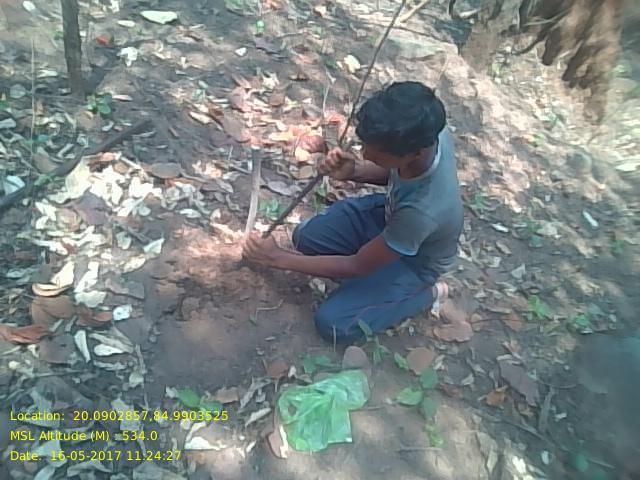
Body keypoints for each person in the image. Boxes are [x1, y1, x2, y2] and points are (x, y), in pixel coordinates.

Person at [242, 81, 463, 344]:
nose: (365, 155)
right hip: (389, 217)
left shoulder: (422, 211)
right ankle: (373, 275)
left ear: (414, 152)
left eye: (377, 154)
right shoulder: (427, 128)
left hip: (414, 261)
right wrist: (354, 172)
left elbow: (357, 265)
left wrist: (277, 258)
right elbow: (397, 171)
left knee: (334, 324)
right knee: (306, 237)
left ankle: (425, 293)